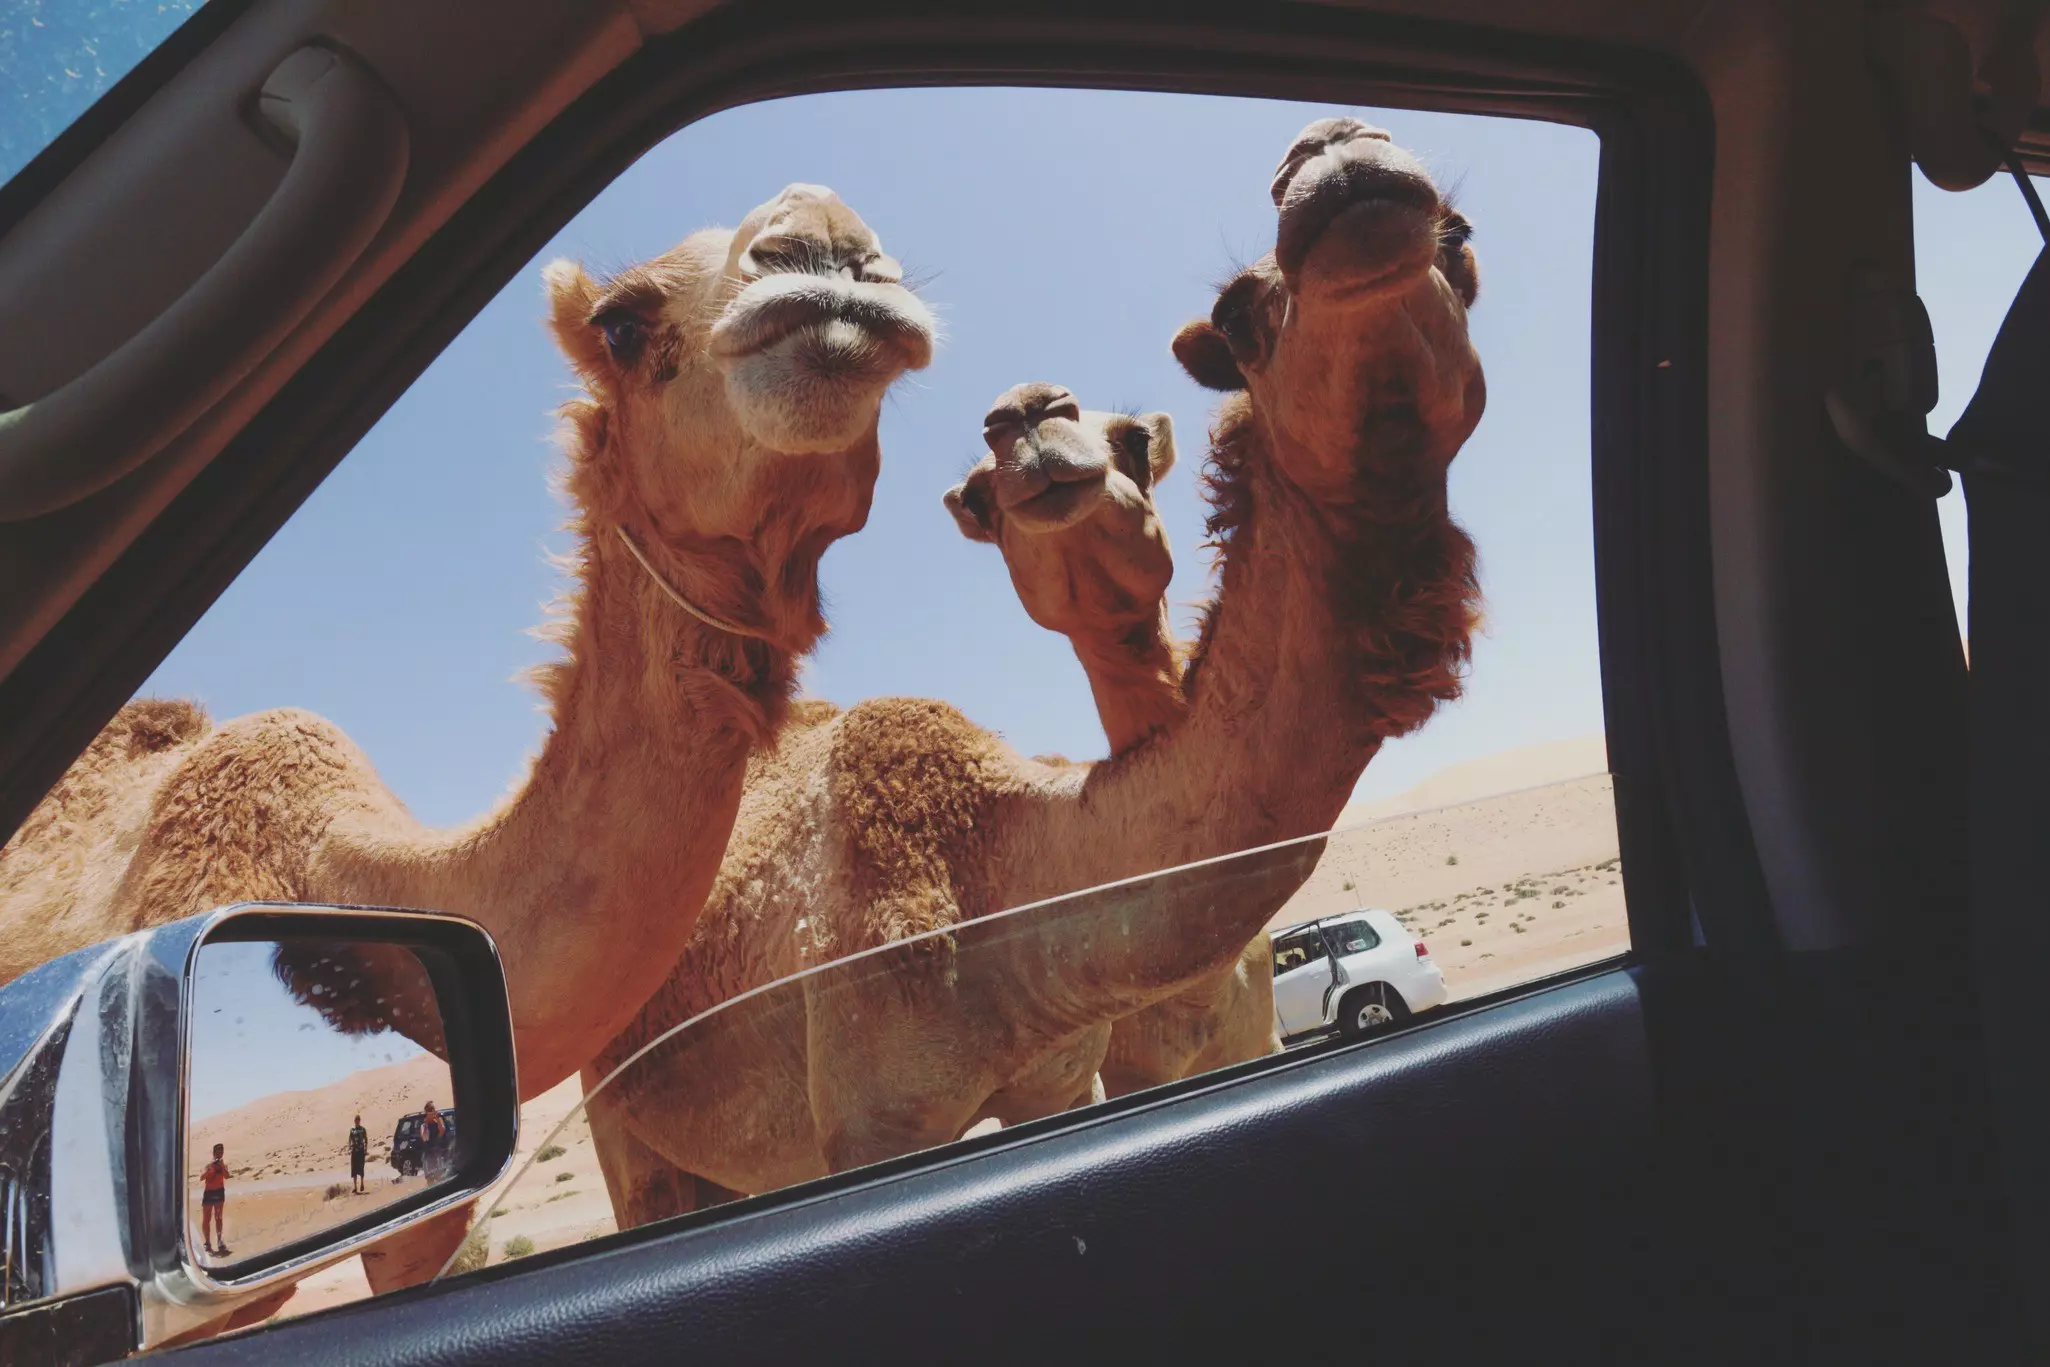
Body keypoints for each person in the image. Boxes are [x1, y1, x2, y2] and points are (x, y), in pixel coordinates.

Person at [199, 1143, 231, 1257]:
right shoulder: (209, 1165)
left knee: (218, 1217)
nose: (219, 1153)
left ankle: (219, 1240)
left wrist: (221, 1166)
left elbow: (227, 1176)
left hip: (219, 1192)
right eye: (217, 1152)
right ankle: (207, 1242)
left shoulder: (223, 1165)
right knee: (206, 1219)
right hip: (208, 1194)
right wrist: (208, 1171)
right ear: (214, 1153)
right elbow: (201, 1177)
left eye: (221, 1152)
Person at [418, 1100, 446, 1178]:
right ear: (426, 1113)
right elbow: (424, 1137)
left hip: (437, 1154)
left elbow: (442, 1132)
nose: (432, 1113)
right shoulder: (423, 1125)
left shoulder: (438, 1123)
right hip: (428, 1156)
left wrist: (438, 1120)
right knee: (430, 1179)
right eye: (430, 1111)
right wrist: (426, 1124)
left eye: (433, 1111)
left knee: (440, 1176)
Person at [348, 1114, 369, 1194]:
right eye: (356, 1120)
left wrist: (365, 1149)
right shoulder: (352, 1130)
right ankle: (355, 1187)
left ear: (359, 1121)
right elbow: (349, 1139)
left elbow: (366, 1139)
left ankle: (362, 1184)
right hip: (354, 1151)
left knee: (361, 1168)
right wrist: (349, 1146)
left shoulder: (363, 1129)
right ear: (354, 1121)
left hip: (361, 1151)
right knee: (354, 1169)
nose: (357, 1121)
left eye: (358, 1120)